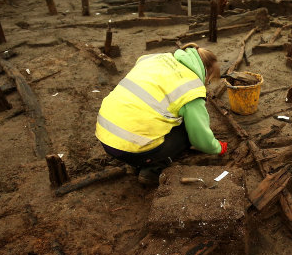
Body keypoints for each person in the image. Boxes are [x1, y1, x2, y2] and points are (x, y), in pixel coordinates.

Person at [95, 43, 227, 186]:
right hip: (130, 148)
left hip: (105, 134)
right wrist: (217, 147)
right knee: (187, 131)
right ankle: (153, 168)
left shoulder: (154, 58)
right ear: (205, 71)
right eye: (208, 80)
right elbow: (199, 136)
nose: (205, 84)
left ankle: (135, 158)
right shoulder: (191, 87)